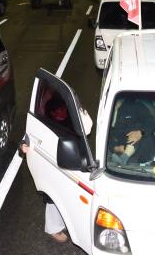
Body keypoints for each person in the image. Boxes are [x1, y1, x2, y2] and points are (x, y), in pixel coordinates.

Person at [19, 93, 93, 244]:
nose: (62, 112)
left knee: (72, 194)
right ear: (52, 112)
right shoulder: (45, 121)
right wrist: (23, 147)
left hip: (71, 161)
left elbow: (87, 127)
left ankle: (68, 221)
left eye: (63, 109)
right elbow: (28, 138)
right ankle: (53, 228)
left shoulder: (71, 119)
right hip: (52, 164)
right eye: (58, 110)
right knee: (53, 196)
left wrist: (79, 109)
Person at [108, 100, 155, 165]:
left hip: (140, 144)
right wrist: (116, 148)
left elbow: (151, 122)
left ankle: (124, 159)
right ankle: (123, 159)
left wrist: (141, 132)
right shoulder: (106, 109)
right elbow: (105, 135)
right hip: (118, 147)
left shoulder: (135, 106)